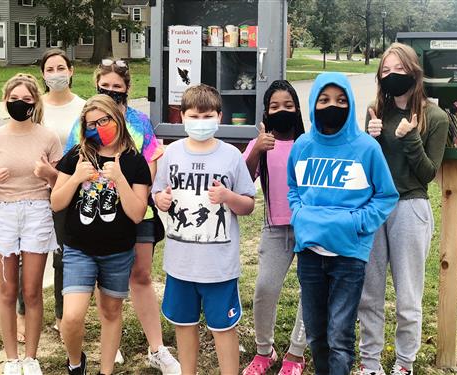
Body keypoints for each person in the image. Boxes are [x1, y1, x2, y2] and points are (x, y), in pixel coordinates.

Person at [64, 59, 180, 373]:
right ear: (97, 85)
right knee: (105, 284)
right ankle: (108, 347)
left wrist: (130, 187)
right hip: (97, 213)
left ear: (128, 88)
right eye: (106, 86)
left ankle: (156, 348)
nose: (112, 91)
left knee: (140, 276)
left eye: (118, 86)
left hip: (137, 211)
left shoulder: (140, 122)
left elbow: (150, 166)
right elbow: (72, 164)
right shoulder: (84, 121)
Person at [287, 72, 399, 375]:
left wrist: (357, 223)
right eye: (324, 100)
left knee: (340, 336)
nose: (332, 106)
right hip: (310, 254)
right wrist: (299, 215)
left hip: (349, 256)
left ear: (350, 103)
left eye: (340, 100)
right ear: (313, 103)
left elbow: (386, 195)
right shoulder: (302, 146)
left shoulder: (366, 148)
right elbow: (293, 188)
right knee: (316, 334)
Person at [357, 43, 449, 375]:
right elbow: (363, 168)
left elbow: (427, 174)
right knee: (370, 292)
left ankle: (404, 364)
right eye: (386, 71)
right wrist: (370, 139)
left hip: (410, 207)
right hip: (374, 208)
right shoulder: (374, 111)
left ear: (413, 71)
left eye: (399, 69)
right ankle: (370, 362)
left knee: (408, 296)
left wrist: (409, 138)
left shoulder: (435, 117)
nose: (392, 76)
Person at [153, 84, 256, 374]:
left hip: (218, 267)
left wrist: (228, 197)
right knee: (184, 326)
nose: (200, 122)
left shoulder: (231, 157)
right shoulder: (171, 154)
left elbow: (248, 204)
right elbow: (158, 193)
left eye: (207, 115)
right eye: (194, 116)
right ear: (182, 117)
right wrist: (160, 199)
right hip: (180, 264)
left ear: (219, 117)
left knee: (223, 329)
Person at [51, 94, 151, 375]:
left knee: (110, 312)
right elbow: (56, 202)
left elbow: (137, 214)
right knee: (71, 316)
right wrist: (75, 178)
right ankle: (75, 363)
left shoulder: (134, 162)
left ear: (116, 118)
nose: (97, 128)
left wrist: (119, 178)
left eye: (103, 120)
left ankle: (105, 371)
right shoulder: (76, 156)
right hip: (79, 248)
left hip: (118, 251)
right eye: (90, 124)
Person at [0, 73, 62, 375]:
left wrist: (48, 173)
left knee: (32, 291)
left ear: (35, 102)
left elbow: (61, 185)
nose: (19, 104)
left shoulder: (48, 137)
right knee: (7, 290)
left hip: (37, 213)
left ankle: (31, 357)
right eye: (14, 99)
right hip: (2, 214)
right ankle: (12, 359)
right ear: (5, 101)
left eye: (26, 100)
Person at [16, 49, 86, 343]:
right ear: (43, 75)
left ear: (71, 71)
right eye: (50, 69)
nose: (56, 73)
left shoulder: (84, 107)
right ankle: (22, 313)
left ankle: (60, 315)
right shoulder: (35, 106)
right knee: (27, 254)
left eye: (61, 67)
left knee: (62, 255)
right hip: (32, 190)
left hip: (67, 189)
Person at [242, 80, 307, 375]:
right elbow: (242, 182)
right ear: (266, 112)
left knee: (311, 292)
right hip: (275, 229)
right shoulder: (261, 143)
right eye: (275, 106)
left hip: (311, 230)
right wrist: (257, 150)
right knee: (265, 289)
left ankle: (296, 353)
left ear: (297, 109)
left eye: (288, 105)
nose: (282, 110)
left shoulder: (310, 142)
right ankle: (263, 351)